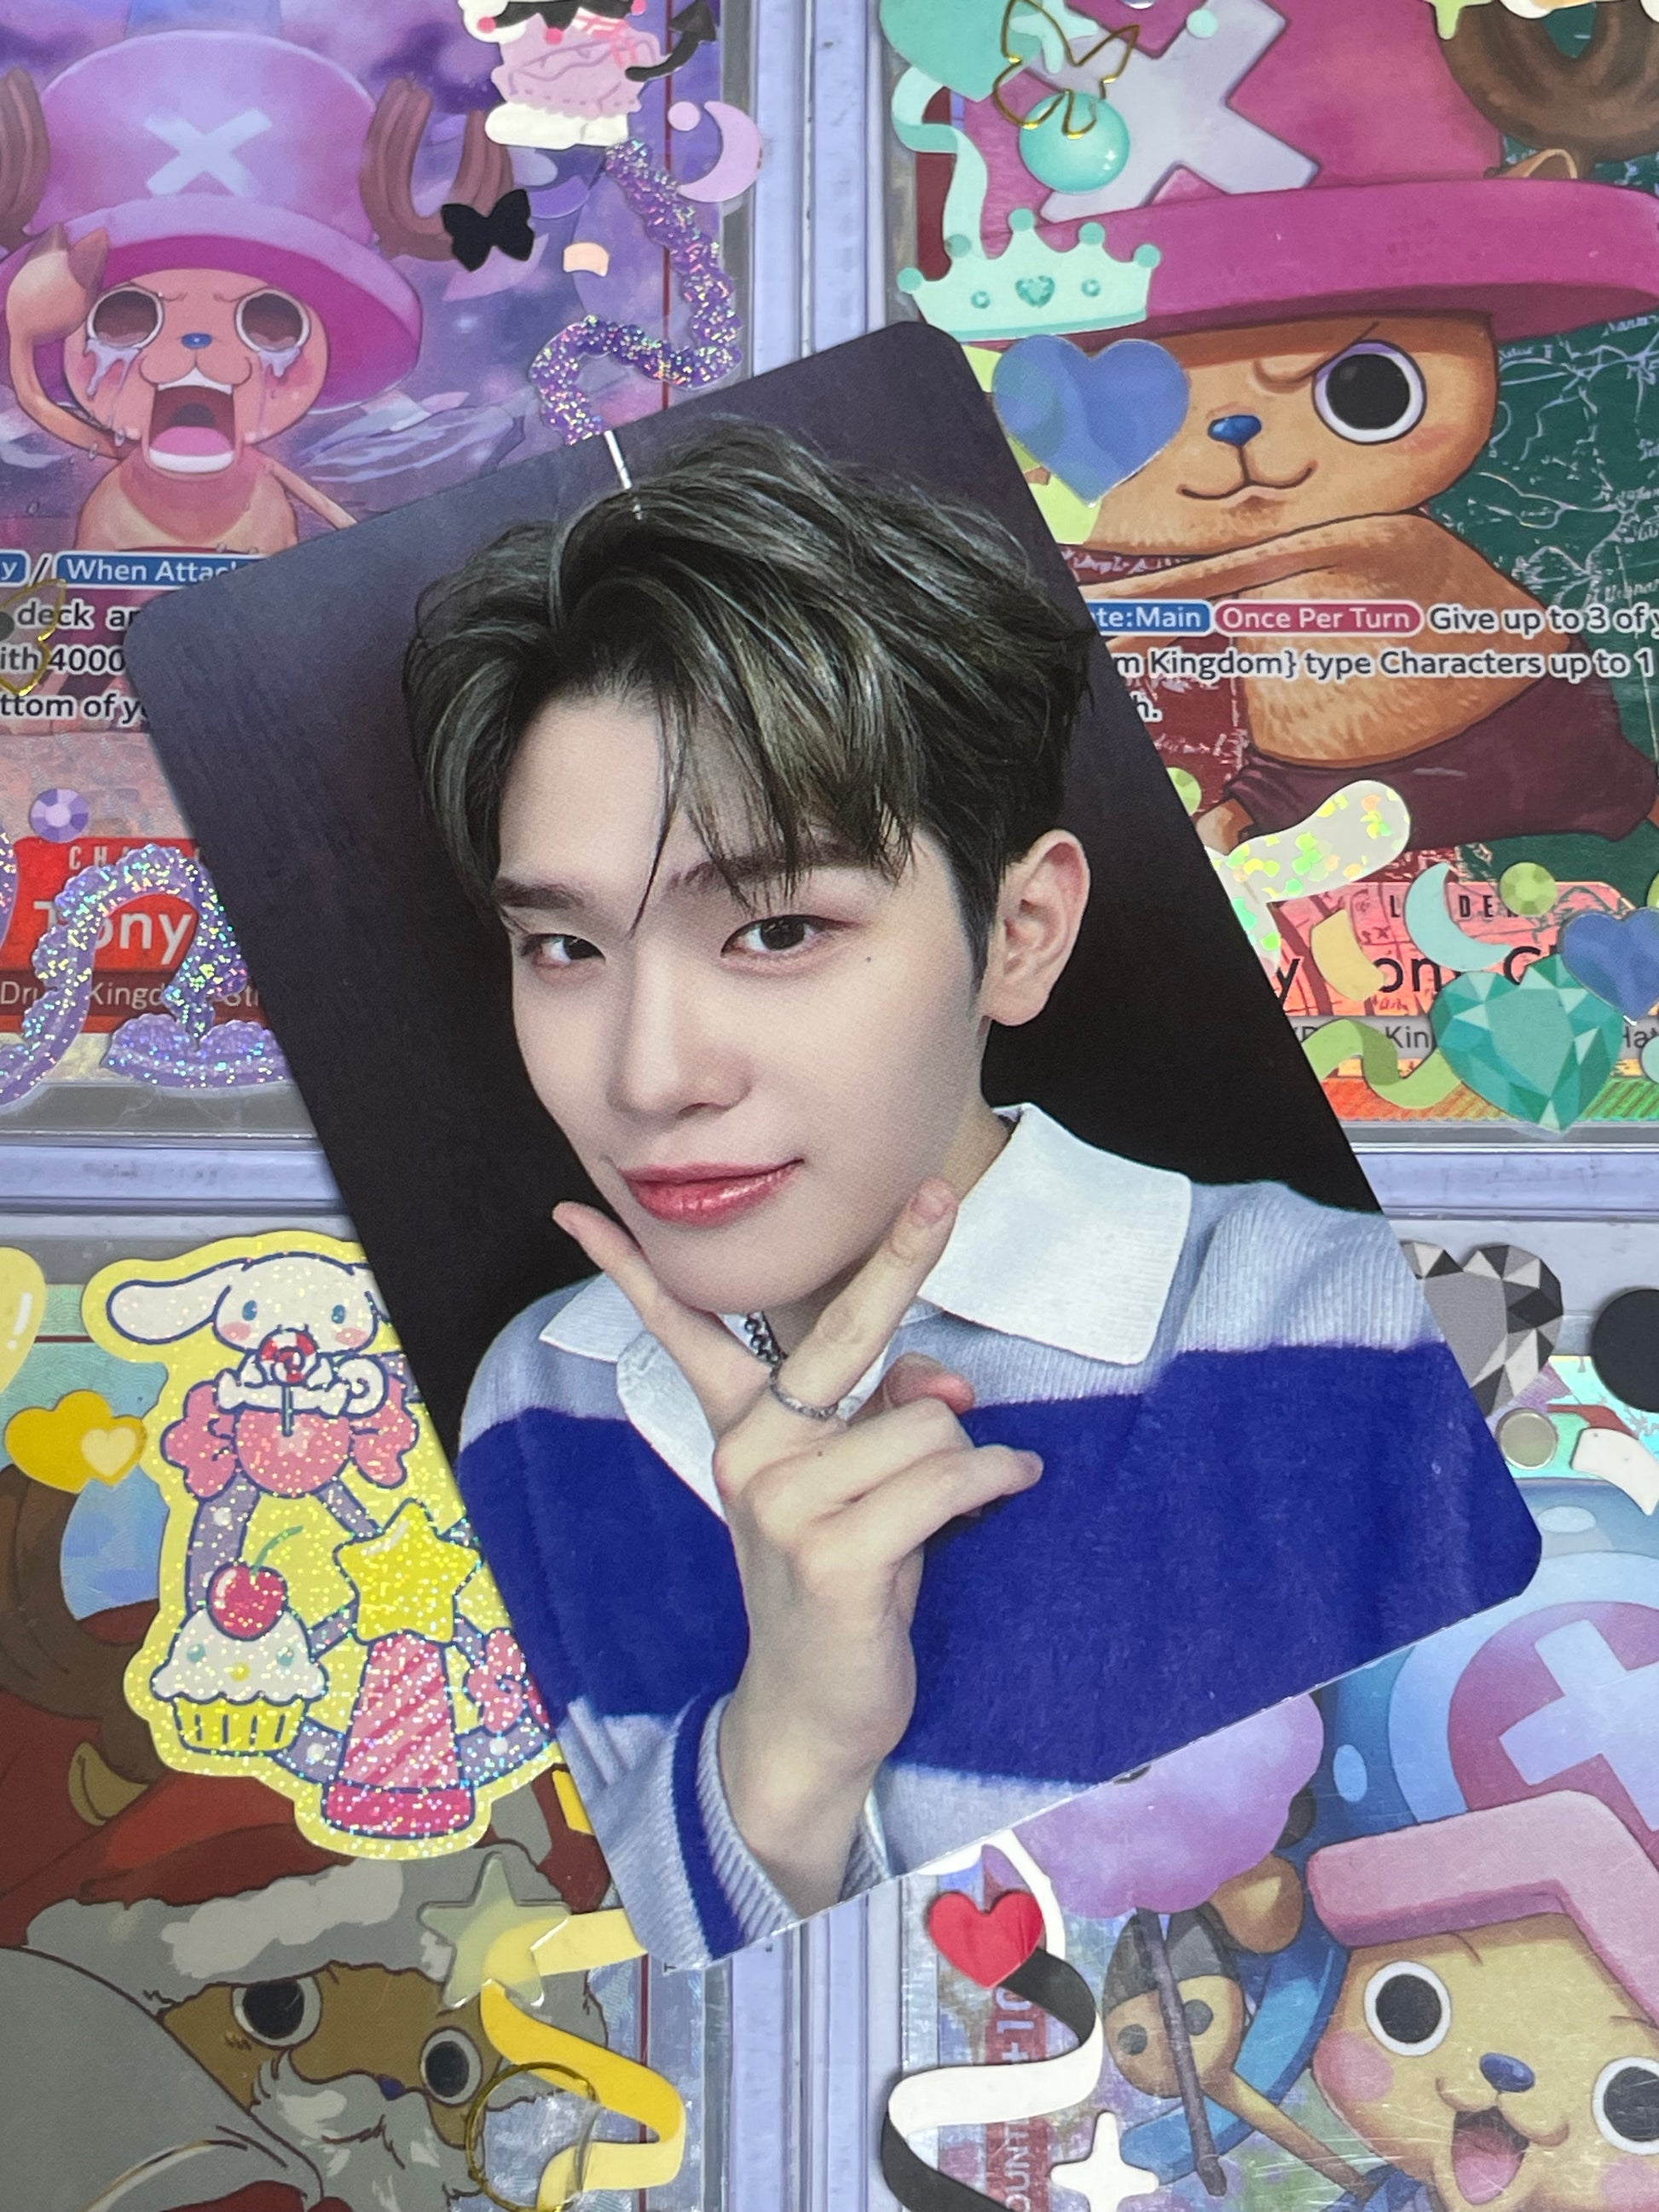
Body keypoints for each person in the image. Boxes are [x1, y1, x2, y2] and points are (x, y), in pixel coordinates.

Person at [403, 422, 1521, 1968]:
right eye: (564, 947)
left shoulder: (1372, 1336)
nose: (648, 1078)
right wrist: (781, 1762)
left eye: (776, 929)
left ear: (1020, 934)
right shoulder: (539, 1401)